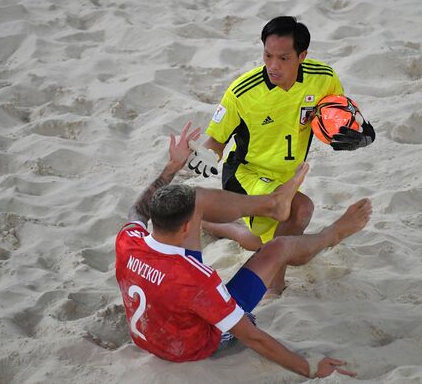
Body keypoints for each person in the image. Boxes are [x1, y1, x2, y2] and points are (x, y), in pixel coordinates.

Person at [115, 122, 372, 378]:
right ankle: (332, 234)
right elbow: (253, 338)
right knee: (278, 247)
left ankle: (269, 206)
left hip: (152, 333)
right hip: (192, 347)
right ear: (187, 227)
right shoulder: (196, 279)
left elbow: (137, 210)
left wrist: (173, 166)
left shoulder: (127, 240)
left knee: (198, 198)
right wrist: (309, 368)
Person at [187, 16, 375, 294]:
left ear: (302, 56)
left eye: (284, 58)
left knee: (261, 239)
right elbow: (216, 141)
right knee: (300, 210)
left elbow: (347, 119)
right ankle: (274, 285)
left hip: (286, 177)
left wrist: (363, 138)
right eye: (267, 55)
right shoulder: (242, 92)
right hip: (245, 174)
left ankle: (211, 223)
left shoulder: (323, 79)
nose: (273, 65)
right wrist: (202, 160)